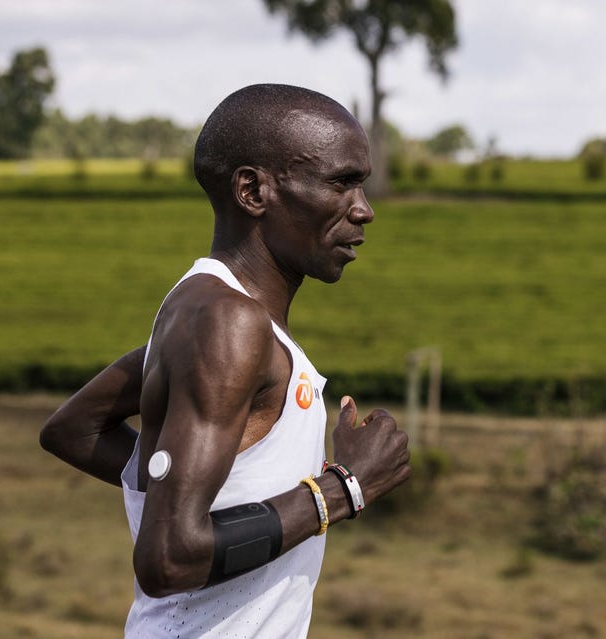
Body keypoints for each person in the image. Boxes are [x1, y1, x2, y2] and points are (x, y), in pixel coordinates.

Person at [41, 83, 411, 638]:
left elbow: (73, 429)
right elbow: (168, 559)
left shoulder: (212, 319)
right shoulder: (226, 323)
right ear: (252, 191)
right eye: (341, 183)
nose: (365, 210)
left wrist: (183, 483)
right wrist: (345, 487)